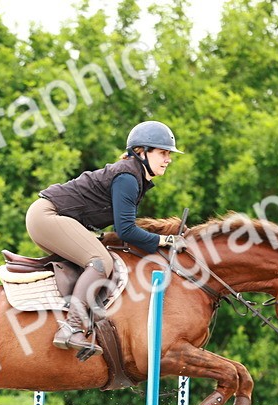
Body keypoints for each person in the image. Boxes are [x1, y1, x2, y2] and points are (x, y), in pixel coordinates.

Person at [26, 120, 184, 359]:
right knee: (100, 261)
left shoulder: (134, 176)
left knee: (101, 256)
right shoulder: (128, 178)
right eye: (163, 153)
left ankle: (87, 324)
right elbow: (126, 230)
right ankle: (71, 328)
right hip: (47, 216)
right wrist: (164, 241)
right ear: (141, 152)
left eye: (168, 154)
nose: (168, 159)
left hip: (54, 217)